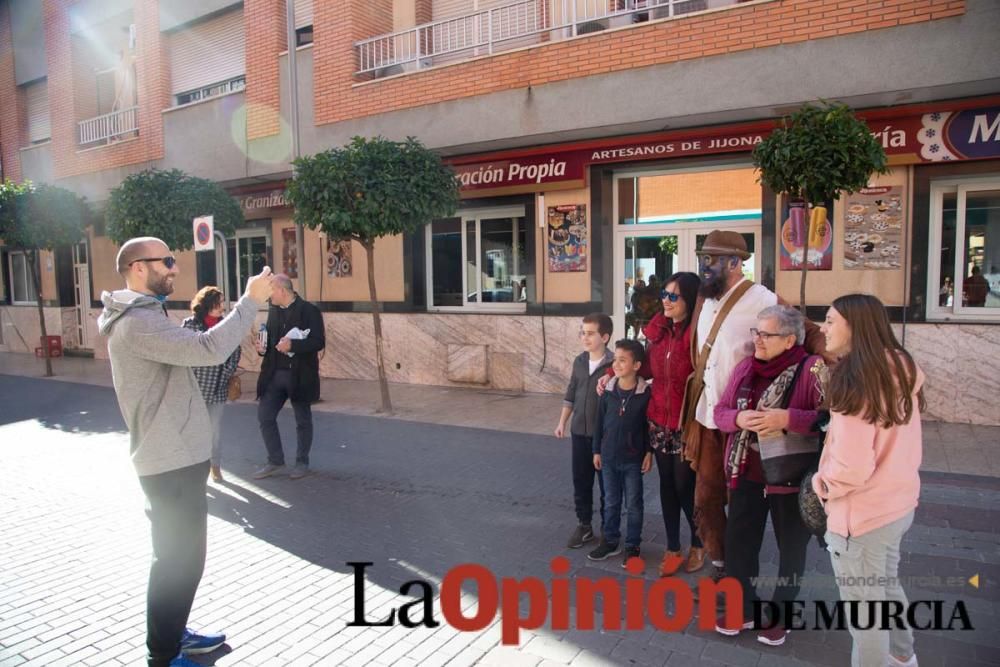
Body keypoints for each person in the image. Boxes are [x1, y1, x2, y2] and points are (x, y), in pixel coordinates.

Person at [97, 237, 273, 667]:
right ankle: (163, 654)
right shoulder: (137, 323)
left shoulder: (145, 314)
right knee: (178, 562)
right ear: (139, 268)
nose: (175, 269)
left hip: (176, 456)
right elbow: (208, 351)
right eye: (168, 262)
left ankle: (175, 634)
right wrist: (249, 301)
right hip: (170, 461)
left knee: (182, 560)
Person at [813, 294, 925, 667]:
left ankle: (891, 657)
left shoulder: (856, 380)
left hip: (861, 517)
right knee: (885, 587)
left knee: (866, 616)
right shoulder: (897, 367)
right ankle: (902, 655)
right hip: (895, 506)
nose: (823, 328)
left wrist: (823, 484)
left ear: (855, 327)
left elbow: (851, 467)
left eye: (830, 320)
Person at [713, 305, 827, 646]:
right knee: (739, 544)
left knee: (791, 548)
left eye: (766, 334)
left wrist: (788, 419)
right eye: (756, 332)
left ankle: (781, 616)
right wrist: (738, 419)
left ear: (790, 339)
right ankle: (743, 609)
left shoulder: (812, 369)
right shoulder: (746, 367)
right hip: (747, 471)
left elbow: (830, 419)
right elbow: (720, 412)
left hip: (791, 476)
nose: (757, 341)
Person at [682, 230, 777, 580]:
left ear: (736, 263)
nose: (706, 266)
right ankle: (719, 564)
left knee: (740, 503)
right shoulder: (706, 299)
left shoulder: (762, 298)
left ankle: (739, 574)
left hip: (740, 420)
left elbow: (801, 332)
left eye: (714, 260)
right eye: (704, 259)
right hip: (707, 416)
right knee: (706, 497)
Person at [642, 271, 705, 577]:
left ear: (689, 300)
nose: (665, 301)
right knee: (666, 485)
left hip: (686, 422)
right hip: (658, 420)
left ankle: (699, 542)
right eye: (664, 295)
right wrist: (611, 375)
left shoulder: (698, 334)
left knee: (685, 486)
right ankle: (672, 547)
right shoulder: (658, 332)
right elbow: (643, 368)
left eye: (673, 296)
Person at [253, 274, 326, 480]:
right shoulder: (274, 311)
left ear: (282, 291)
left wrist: (293, 345)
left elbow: (318, 341)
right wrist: (262, 348)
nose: (269, 296)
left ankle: (302, 462)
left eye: (271, 291)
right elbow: (271, 339)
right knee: (265, 416)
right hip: (274, 374)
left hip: (300, 375)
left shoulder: (309, 311)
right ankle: (275, 461)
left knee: (302, 420)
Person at [588, 339, 654, 568]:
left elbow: (647, 426)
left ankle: (633, 545)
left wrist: (648, 452)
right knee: (611, 502)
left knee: (634, 503)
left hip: (633, 460)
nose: (616, 364)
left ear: (637, 365)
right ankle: (611, 541)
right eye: (615, 359)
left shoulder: (645, 393)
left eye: (622, 360)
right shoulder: (607, 390)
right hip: (608, 458)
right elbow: (599, 423)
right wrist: (596, 449)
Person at [554, 313, 614, 549]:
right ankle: (585, 525)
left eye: (590, 333)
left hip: (604, 437)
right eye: (582, 332)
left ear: (605, 337)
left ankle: (608, 529)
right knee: (581, 481)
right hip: (579, 433)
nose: (584, 337)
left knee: (607, 485)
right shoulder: (579, 362)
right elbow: (571, 393)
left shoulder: (614, 365)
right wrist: (562, 422)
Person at [182, 286, 242, 483]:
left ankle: (214, 467)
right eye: (217, 303)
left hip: (218, 387)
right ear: (206, 304)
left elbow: (235, 352)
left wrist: (225, 373)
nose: (221, 307)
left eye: (222, 303)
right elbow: (182, 353)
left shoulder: (225, 326)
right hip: (194, 387)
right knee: (193, 430)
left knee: (214, 430)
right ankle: (193, 467)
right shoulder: (190, 326)